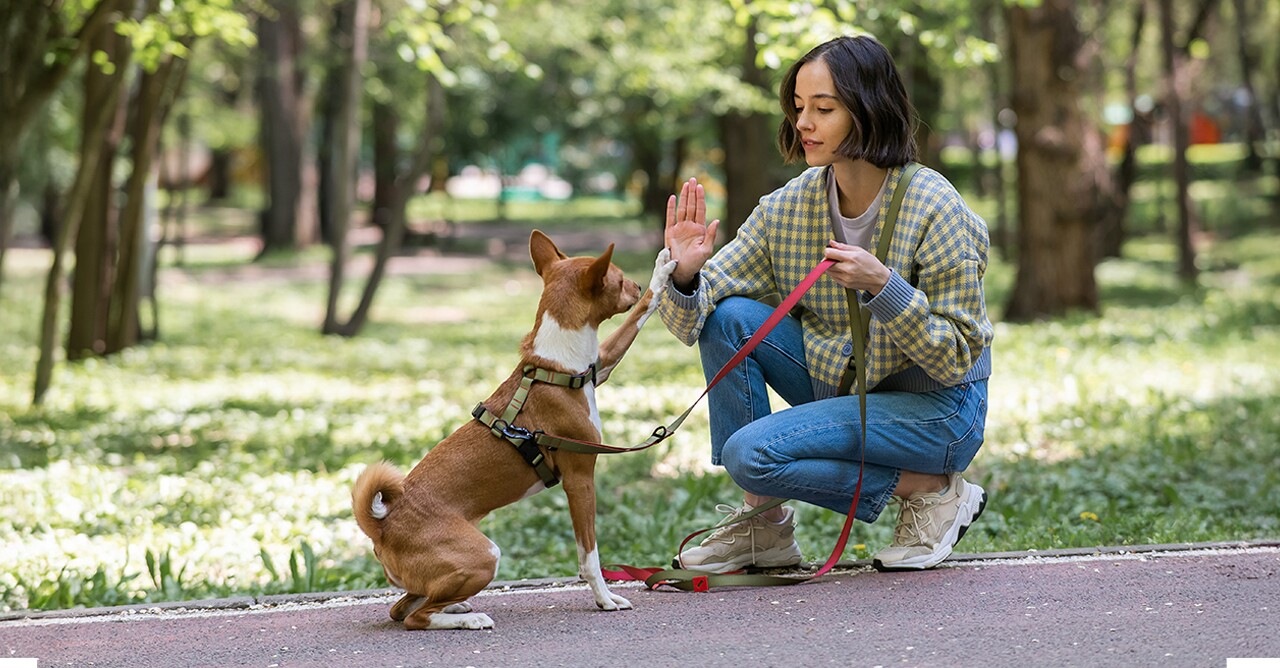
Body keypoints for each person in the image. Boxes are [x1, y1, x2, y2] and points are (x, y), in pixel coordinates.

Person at [657, 34, 993, 574]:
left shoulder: (936, 207)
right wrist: (688, 271)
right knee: (731, 318)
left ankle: (932, 488)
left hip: (936, 411)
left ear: (868, 109)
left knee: (752, 455)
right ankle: (762, 529)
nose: (802, 124)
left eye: (823, 108)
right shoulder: (789, 207)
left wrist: (885, 288)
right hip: (848, 384)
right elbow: (693, 319)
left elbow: (955, 356)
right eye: (797, 108)